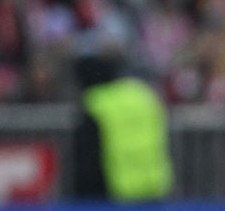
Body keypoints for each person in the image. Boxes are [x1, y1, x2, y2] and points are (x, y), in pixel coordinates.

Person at [71, 54, 174, 202]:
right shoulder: (142, 94)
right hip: (153, 183)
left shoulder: (96, 102)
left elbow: (89, 153)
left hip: (116, 188)